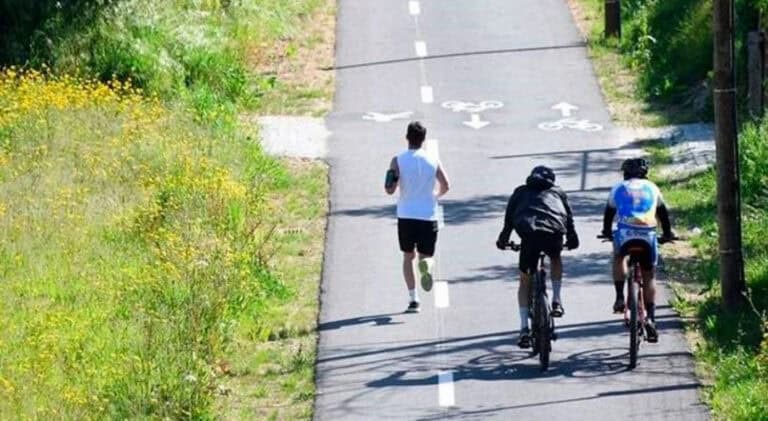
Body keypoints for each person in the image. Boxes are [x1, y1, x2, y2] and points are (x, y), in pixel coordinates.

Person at [496, 166, 579, 348]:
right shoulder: (558, 192)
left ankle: (524, 329)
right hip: (553, 234)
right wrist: (572, 237)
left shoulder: (520, 192)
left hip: (529, 236)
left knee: (525, 281)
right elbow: (568, 217)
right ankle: (556, 300)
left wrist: (503, 239)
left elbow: (509, 219)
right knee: (555, 257)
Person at [601, 157, 674, 343]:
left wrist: (607, 232)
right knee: (649, 275)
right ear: (645, 173)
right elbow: (663, 215)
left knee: (619, 257)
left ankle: (619, 297)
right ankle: (651, 318)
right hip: (647, 235)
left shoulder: (618, 188)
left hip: (625, 233)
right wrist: (667, 234)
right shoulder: (653, 188)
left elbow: (609, 214)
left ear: (625, 173)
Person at [385, 121, 450, 313]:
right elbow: (446, 185)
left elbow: (389, 189)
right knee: (425, 255)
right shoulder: (433, 160)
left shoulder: (397, 160)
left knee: (408, 256)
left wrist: (395, 182)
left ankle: (413, 299)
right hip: (428, 215)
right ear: (424, 139)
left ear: (407, 137)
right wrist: (435, 196)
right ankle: (426, 267)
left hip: (406, 215)